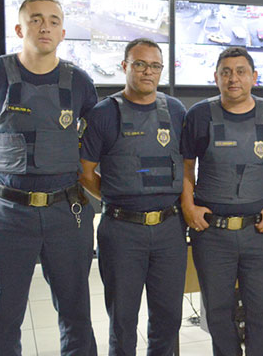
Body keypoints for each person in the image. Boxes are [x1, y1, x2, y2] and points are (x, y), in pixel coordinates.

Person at [0, 0, 98, 355]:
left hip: (66, 212)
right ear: (20, 29)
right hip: (7, 214)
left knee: (76, 312)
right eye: (36, 19)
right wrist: (11, 159)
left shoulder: (80, 81)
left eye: (53, 21)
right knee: (3, 316)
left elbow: (94, 140)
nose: (45, 27)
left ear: (63, 32)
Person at [79, 39, 187, 356]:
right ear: (125, 66)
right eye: (140, 64)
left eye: (155, 66)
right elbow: (84, 171)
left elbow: (186, 165)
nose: (147, 72)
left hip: (169, 230)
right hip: (122, 231)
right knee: (123, 321)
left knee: (168, 318)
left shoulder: (176, 111)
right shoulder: (103, 114)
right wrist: (117, 195)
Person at [181, 46, 263, 356]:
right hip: (213, 234)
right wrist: (188, 207)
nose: (233, 79)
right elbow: (186, 167)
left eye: (241, 72)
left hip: (258, 232)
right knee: (217, 312)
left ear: (254, 77)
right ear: (216, 77)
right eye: (225, 72)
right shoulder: (199, 115)